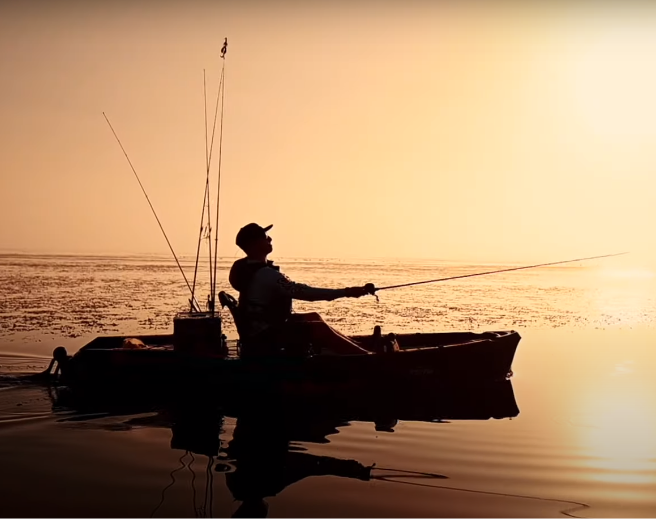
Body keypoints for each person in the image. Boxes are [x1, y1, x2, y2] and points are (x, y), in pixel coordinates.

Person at [228, 223, 382, 356]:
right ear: (253, 244)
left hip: (260, 334)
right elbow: (307, 293)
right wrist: (347, 292)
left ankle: (359, 347)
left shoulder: (252, 270)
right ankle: (368, 358)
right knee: (318, 329)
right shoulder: (265, 274)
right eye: (265, 236)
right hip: (264, 339)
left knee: (312, 316)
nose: (270, 239)